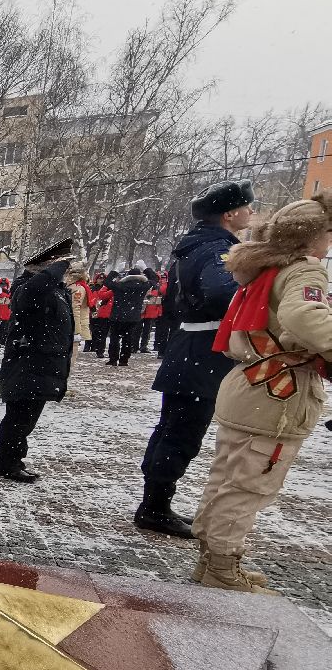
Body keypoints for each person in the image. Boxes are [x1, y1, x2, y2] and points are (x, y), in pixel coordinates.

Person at [192, 196, 332, 591]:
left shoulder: (267, 266)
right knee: (249, 485)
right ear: (312, 237)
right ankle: (221, 569)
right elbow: (304, 318)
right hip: (276, 394)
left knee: (226, 480)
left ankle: (210, 560)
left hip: (250, 384)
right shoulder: (305, 271)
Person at [136, 179, 255, 538]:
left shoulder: (199, 244)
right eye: (248, 207)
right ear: (229, 213)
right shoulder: (216, 247)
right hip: (203, 349)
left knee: (172, 429)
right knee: (182, 432)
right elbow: (222, 292)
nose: (252, 212)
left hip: (191, 346)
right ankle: (154, 507)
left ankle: (155, 502)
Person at [0, 238, 75, 483]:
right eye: (62, 265)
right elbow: (32, 292)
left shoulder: (57, 291)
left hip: (44, 364)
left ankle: (14, 461)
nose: (67, 270)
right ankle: (7, 463)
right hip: (27, 363)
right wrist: (56, 268)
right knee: (18, 418)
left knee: (27, 419)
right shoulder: (27, 287)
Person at [106, 268, 150, 366]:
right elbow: (154, 280)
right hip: (133, 316)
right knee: (128, 338)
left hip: (117, 315)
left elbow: (107, 282)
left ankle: (113, 359)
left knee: (114, 338)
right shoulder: (142, 286)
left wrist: (115, 271)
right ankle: (124, 359)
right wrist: (147, 270)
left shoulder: (120, 286)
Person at [140, 271, 165, 353]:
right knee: (144, 330)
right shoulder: (154, 287)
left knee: (145, 330)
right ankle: (141, 345)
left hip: (149, 310)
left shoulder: (152, 286)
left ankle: (141, 345)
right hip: (148, 310)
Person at [89, 273, 114, 357]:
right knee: (94, 330)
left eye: (103, 278)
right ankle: (93, 346)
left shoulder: (108, 289)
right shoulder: (93, 288)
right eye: (100, 278)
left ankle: (99, 349)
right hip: (94, 311)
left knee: (101, 332)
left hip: (104, 313)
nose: (102, 280)